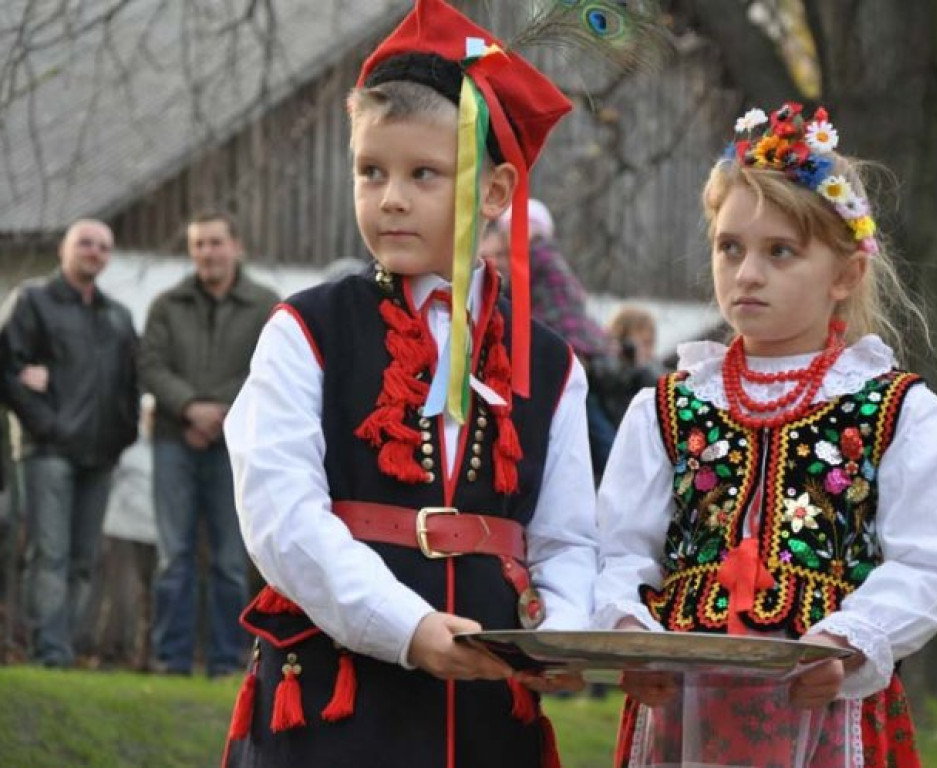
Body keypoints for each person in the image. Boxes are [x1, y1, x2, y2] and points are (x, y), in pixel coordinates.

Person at [219, 1, 598, 766]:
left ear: (495, 193)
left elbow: (566, 537)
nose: (390, 196)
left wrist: (561, 632)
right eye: (371, 171)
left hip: (492, 703)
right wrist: (405, 625)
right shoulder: (306, 331)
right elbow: (281, 516)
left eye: (424, 173)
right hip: (339, 700)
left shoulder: (552, 364)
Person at [593, 103, 937, 767]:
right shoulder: (667, 406)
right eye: (729, 247)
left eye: (780, 252)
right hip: (680, 710)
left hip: (825, 706)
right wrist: (628, 632)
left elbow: (930, 562)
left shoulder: (898, 411)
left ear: (846, 275)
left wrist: (852, 639)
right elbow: (619, 550)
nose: (746, 273)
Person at [139, 210, 278, 677]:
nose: (207, 253)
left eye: (215, 243)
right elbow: (150, 365)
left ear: (236, 247)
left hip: (236, 447)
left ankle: (226, 661)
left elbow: (270, 369)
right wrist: (189, 409)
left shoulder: (265, 305)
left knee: (229, 559)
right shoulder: (166, 304)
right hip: (173, 440)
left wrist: (219, 414)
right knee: (173, 555)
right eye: (198, 244)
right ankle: (170, 659)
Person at [0, 219, 139, 668]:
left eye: (103, 246)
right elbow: (7, 370)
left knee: (83, 559)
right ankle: (49, 652)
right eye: (85, 243)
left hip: (99, 455)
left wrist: (125, 434)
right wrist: (49, 424)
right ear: (64, 248)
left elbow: (129, 384)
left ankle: (65, 647)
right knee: (50, 554)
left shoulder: (117, 316)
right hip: (46, 452)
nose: (94, 252)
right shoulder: (31, 301)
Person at [495, 199, 618, 476]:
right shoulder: (549, 257)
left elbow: (510, 296)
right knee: (586, 416)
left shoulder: (534, 256)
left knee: (590, 420)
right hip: (577, 342)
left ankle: (616, 469)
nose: (505, 239)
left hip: (567, 344)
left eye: (509, 231)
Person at [86, 393, 159, 669]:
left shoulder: (165, 449)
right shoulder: (128, 444)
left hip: (156, 531)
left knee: (150, 599)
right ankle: (109, 651)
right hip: (123, 528)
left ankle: (144, 654)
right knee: (121, 595)